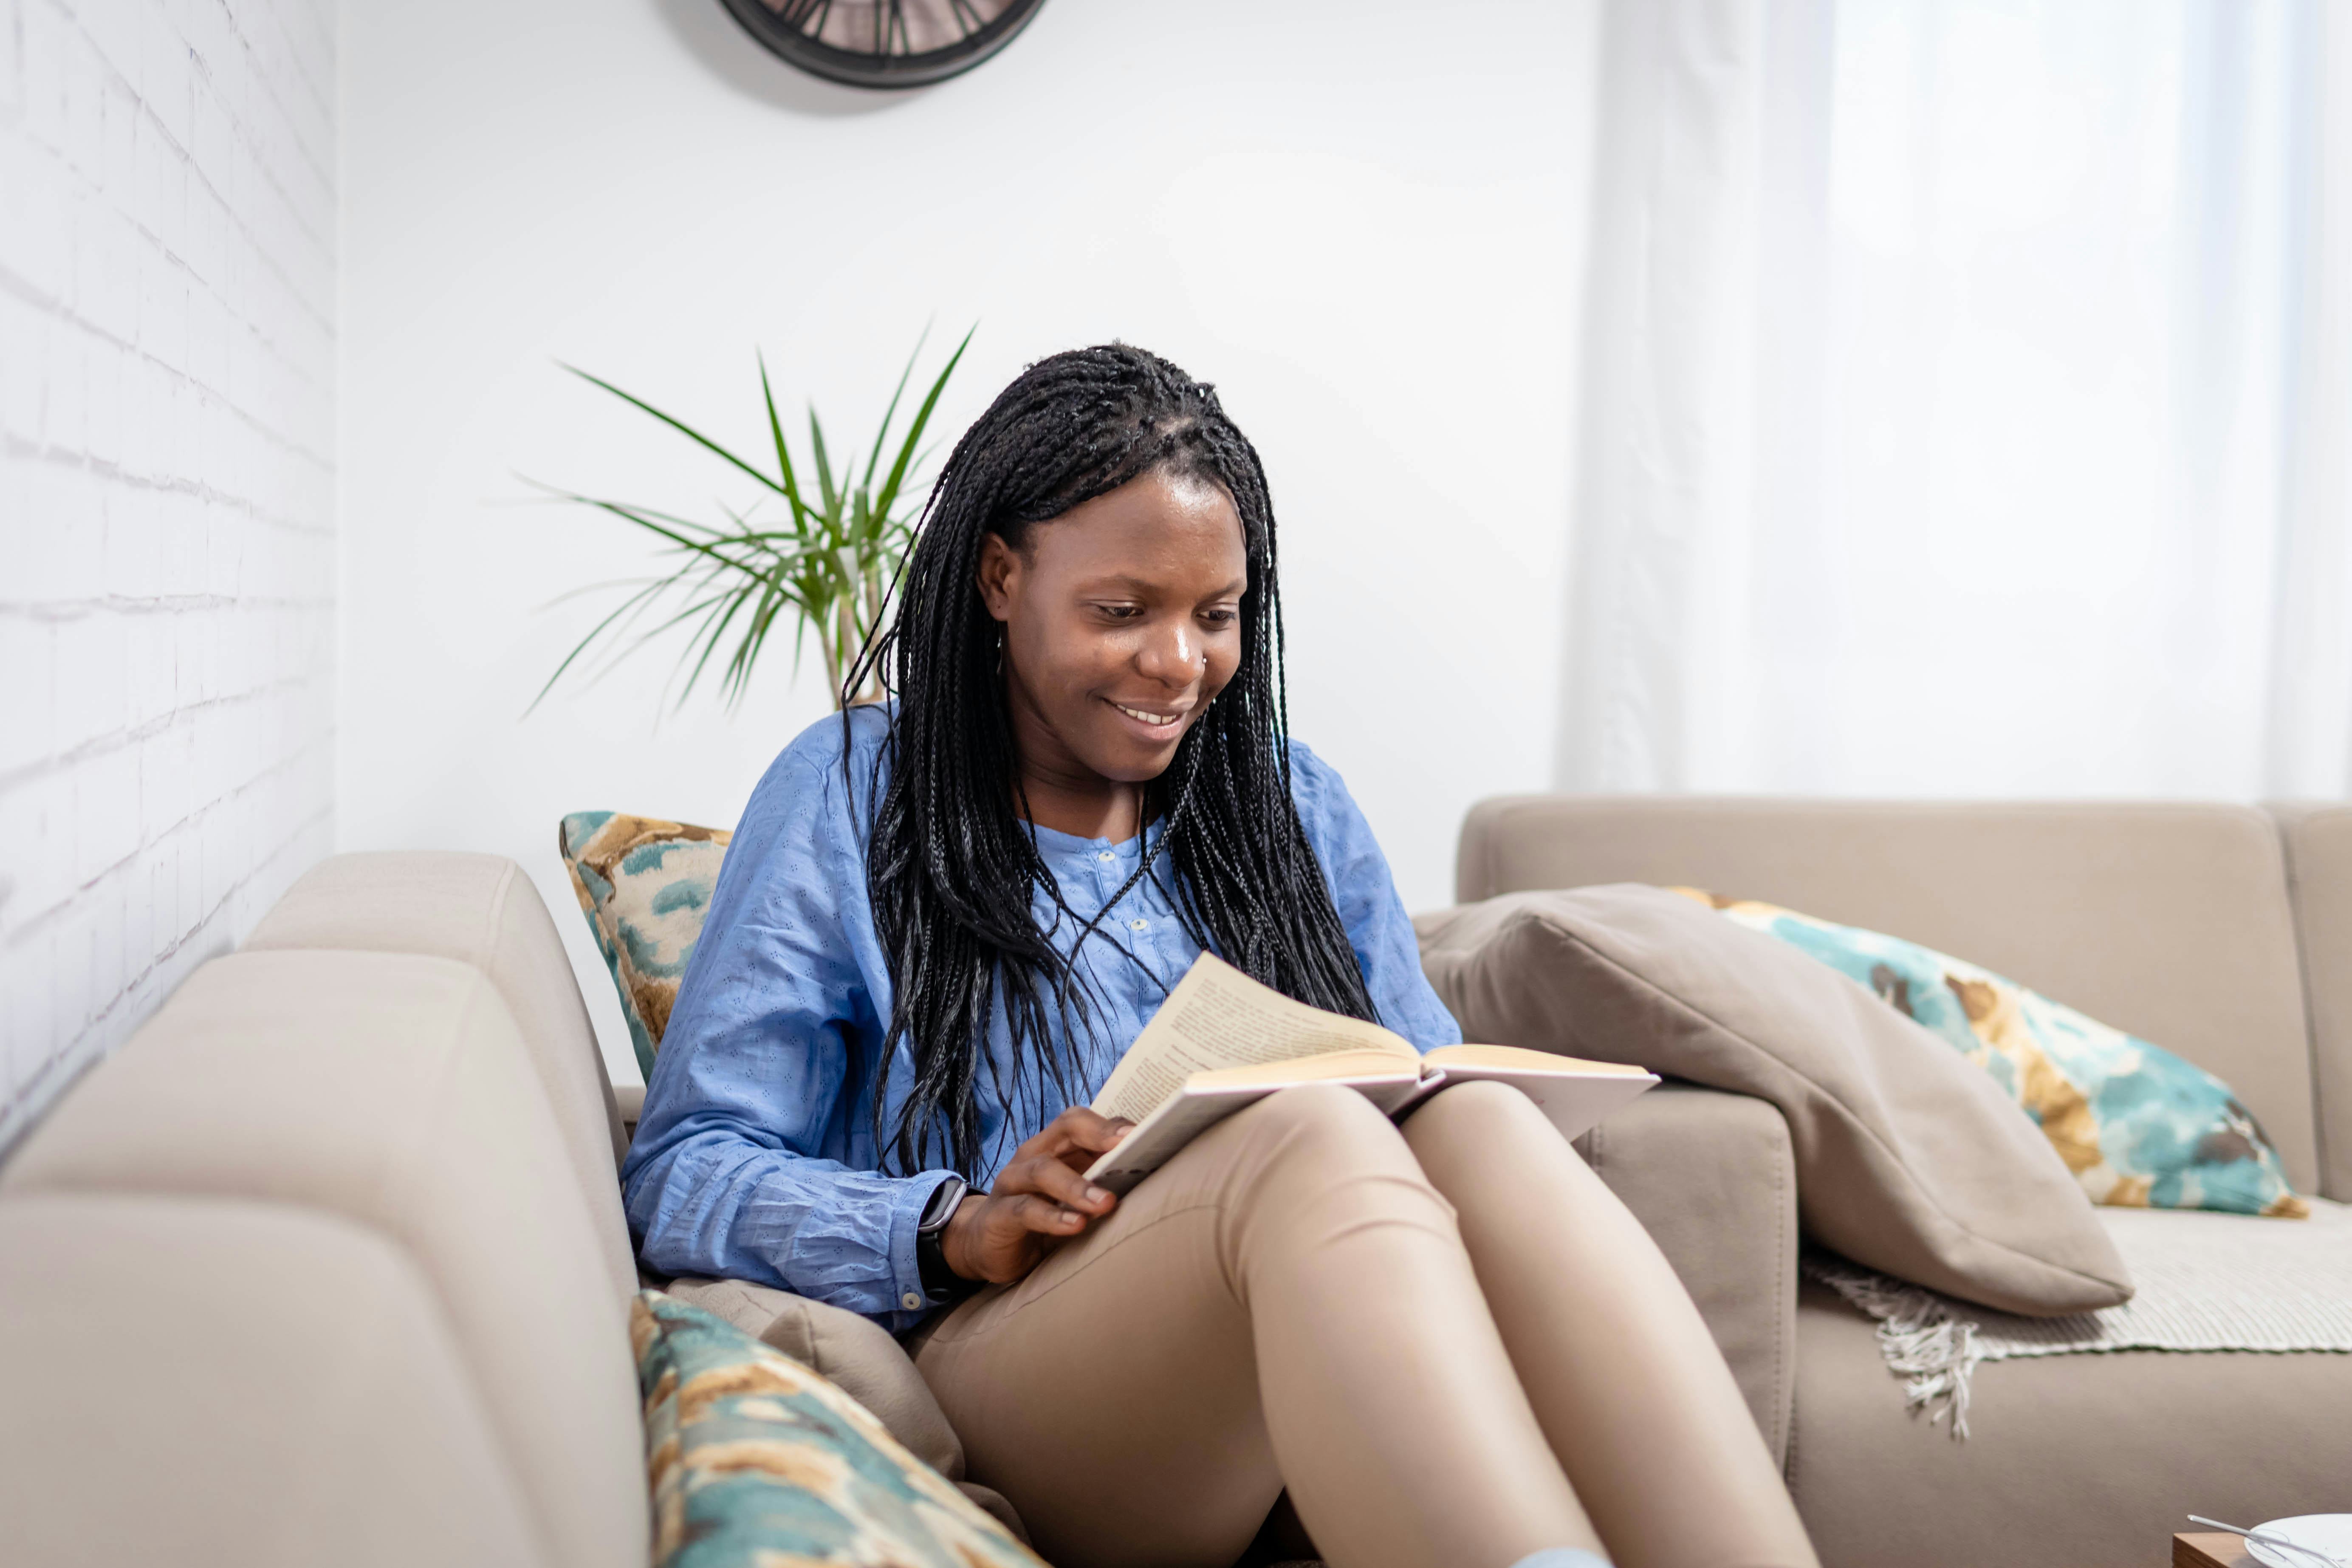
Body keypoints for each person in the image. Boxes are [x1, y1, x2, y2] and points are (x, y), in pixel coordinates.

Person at [621, 345, 1818, 1568]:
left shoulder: (1290, 803)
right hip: (1024, 1364)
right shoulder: (853, 790)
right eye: (1121, 610)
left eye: (1216, 614)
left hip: (1316, 1354)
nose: (1178, 664)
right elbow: (682, 1171)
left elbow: (1419, 1077)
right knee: (1307, 1133)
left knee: (1480, 1124)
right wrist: (952, 1223)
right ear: (1000, 577)